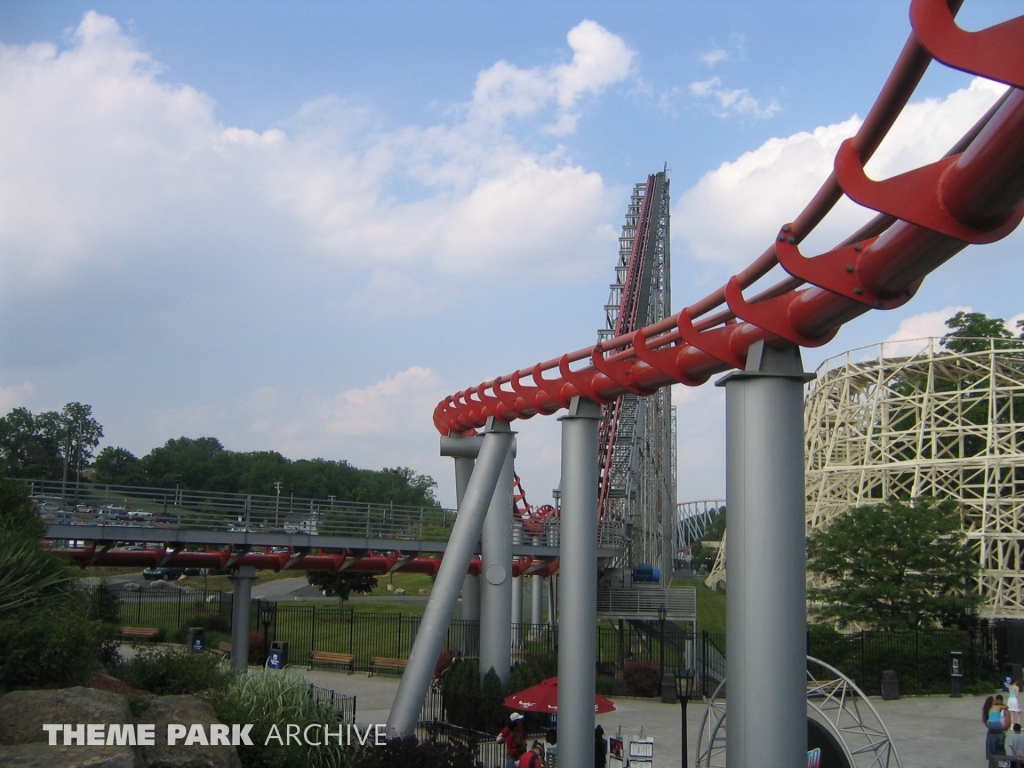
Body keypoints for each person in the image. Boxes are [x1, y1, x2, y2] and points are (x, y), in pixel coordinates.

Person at [987, 694, 1010, 759]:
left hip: (1001, 731)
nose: (998, 702)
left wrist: (1003, 730)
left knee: (1000, 749)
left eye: (999, 701)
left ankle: (1003, 762)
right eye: (997, 701)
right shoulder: (992, 708)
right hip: (992, 731)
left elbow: (1008, 722)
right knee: (992, 749)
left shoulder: (1004, 711)